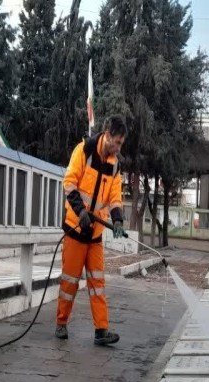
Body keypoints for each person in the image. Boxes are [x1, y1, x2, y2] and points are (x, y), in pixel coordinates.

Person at [55, 115, 127, 345]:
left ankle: (101, 330)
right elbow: (69, 183)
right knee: (70, 281)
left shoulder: (114, 165)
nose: (118, 148)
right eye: (117, 142)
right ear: (107, 135)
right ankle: (61, 323)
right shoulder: (84, 151)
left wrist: (118, 220)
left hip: (95, 232)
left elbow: (115, 197)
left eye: (121, 144)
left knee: (98, 282)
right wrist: (80, 211)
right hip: (76, 228)